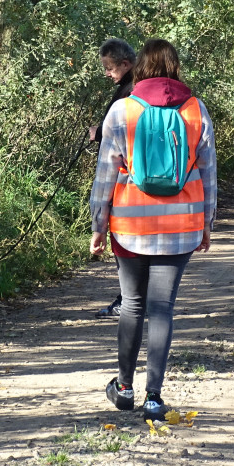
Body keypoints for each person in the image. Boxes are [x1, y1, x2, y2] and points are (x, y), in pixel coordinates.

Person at [89, 39, 217, 421]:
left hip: (130, 226)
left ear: (139, 67)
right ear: (175, 67)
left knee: (132, 304)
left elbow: (105, 174)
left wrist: (98, 225)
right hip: (182, 224)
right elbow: (208, 171)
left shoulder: (121, 110)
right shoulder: (196, 109)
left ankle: (124, 388)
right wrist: (207, 222)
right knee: (162, 308)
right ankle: (155, 397)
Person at [91, 38, 136, 318]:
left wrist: (98, 220)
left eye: (109, 68)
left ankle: (127, 302)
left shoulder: (129, 93)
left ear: (125, 64)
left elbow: (120, 141)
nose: (107, 73)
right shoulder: (128, 87)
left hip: (125, 188)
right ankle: (129, 300)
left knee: (128, 249)